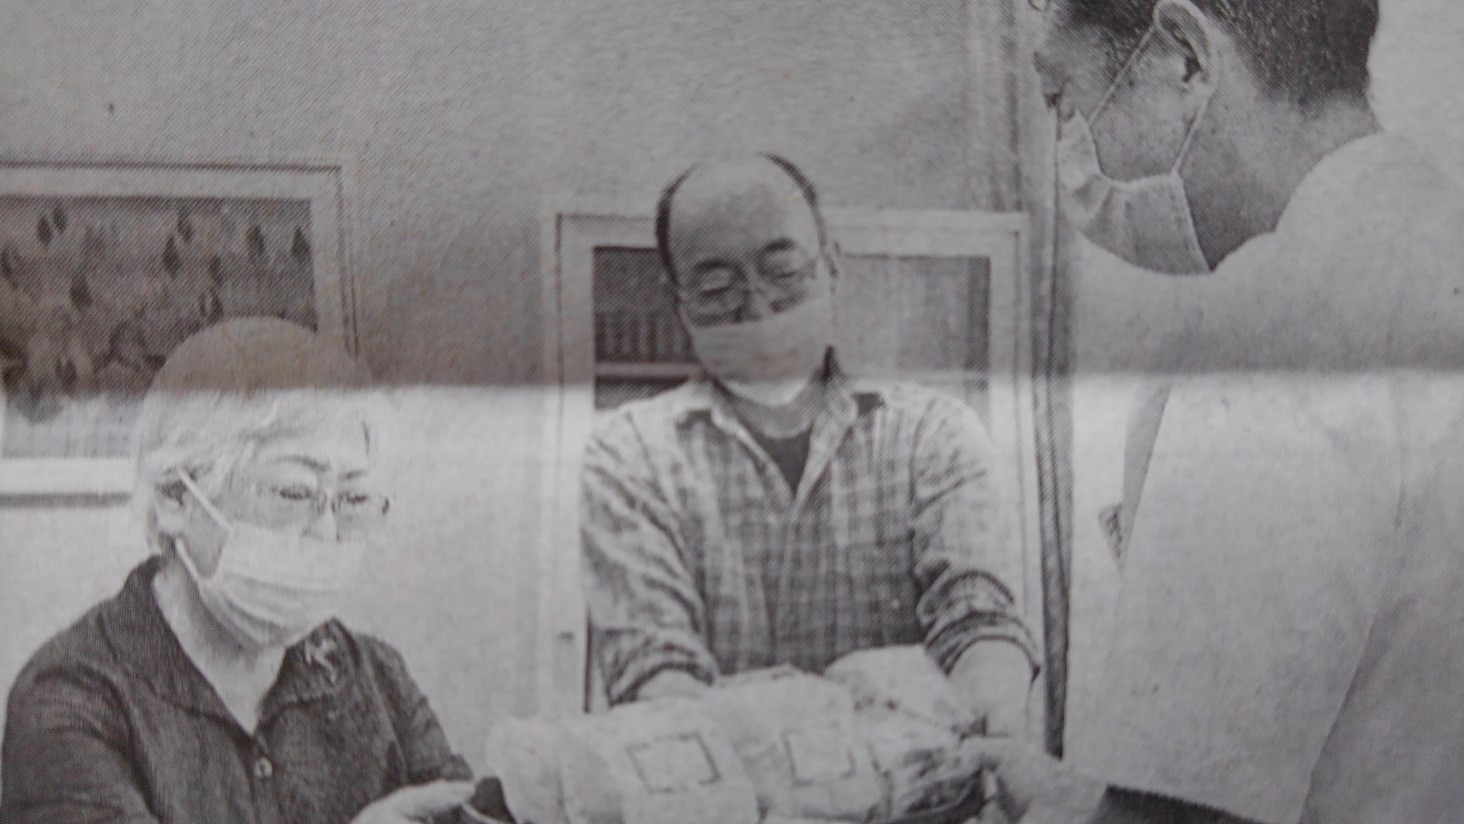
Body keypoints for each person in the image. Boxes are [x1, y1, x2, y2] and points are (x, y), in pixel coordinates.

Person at [974, 0, 1464, 822]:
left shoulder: (1269, 324)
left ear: (1184, 58)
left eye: (1064, 100)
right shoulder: (1434, 234)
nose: (1071, 157)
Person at [579, 154, 1039, 736]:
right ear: (680, 307)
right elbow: (656, 673)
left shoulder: (933, 434)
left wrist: (990, 713)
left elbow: (979, 621)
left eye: (784, 272)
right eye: (717, 288)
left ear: (832, 266)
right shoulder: (630, 455)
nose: (758, 310)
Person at [0, 318, 482, 824]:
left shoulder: (375, 676)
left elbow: (459, 807)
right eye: (293, 493)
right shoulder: (71, 699)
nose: (327, 532)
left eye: (354, 498)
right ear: (175, 497)